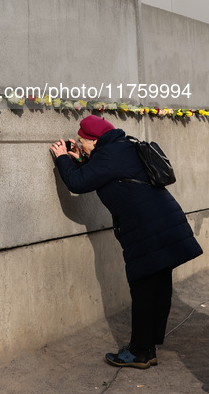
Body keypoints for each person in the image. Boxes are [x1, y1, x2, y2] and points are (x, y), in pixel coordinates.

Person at [50, 115, 203, 369]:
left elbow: (78, 182)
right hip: (164, 223)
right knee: (159, 283)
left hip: (147, 231)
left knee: (143, 288)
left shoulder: (107, 156)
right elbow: (99, 174)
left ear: (94, 140)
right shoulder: (121, 147)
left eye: (82, 141)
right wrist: (80, 158)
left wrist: (63, 158)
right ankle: (149, 344)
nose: (81, 145)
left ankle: (140, 351)